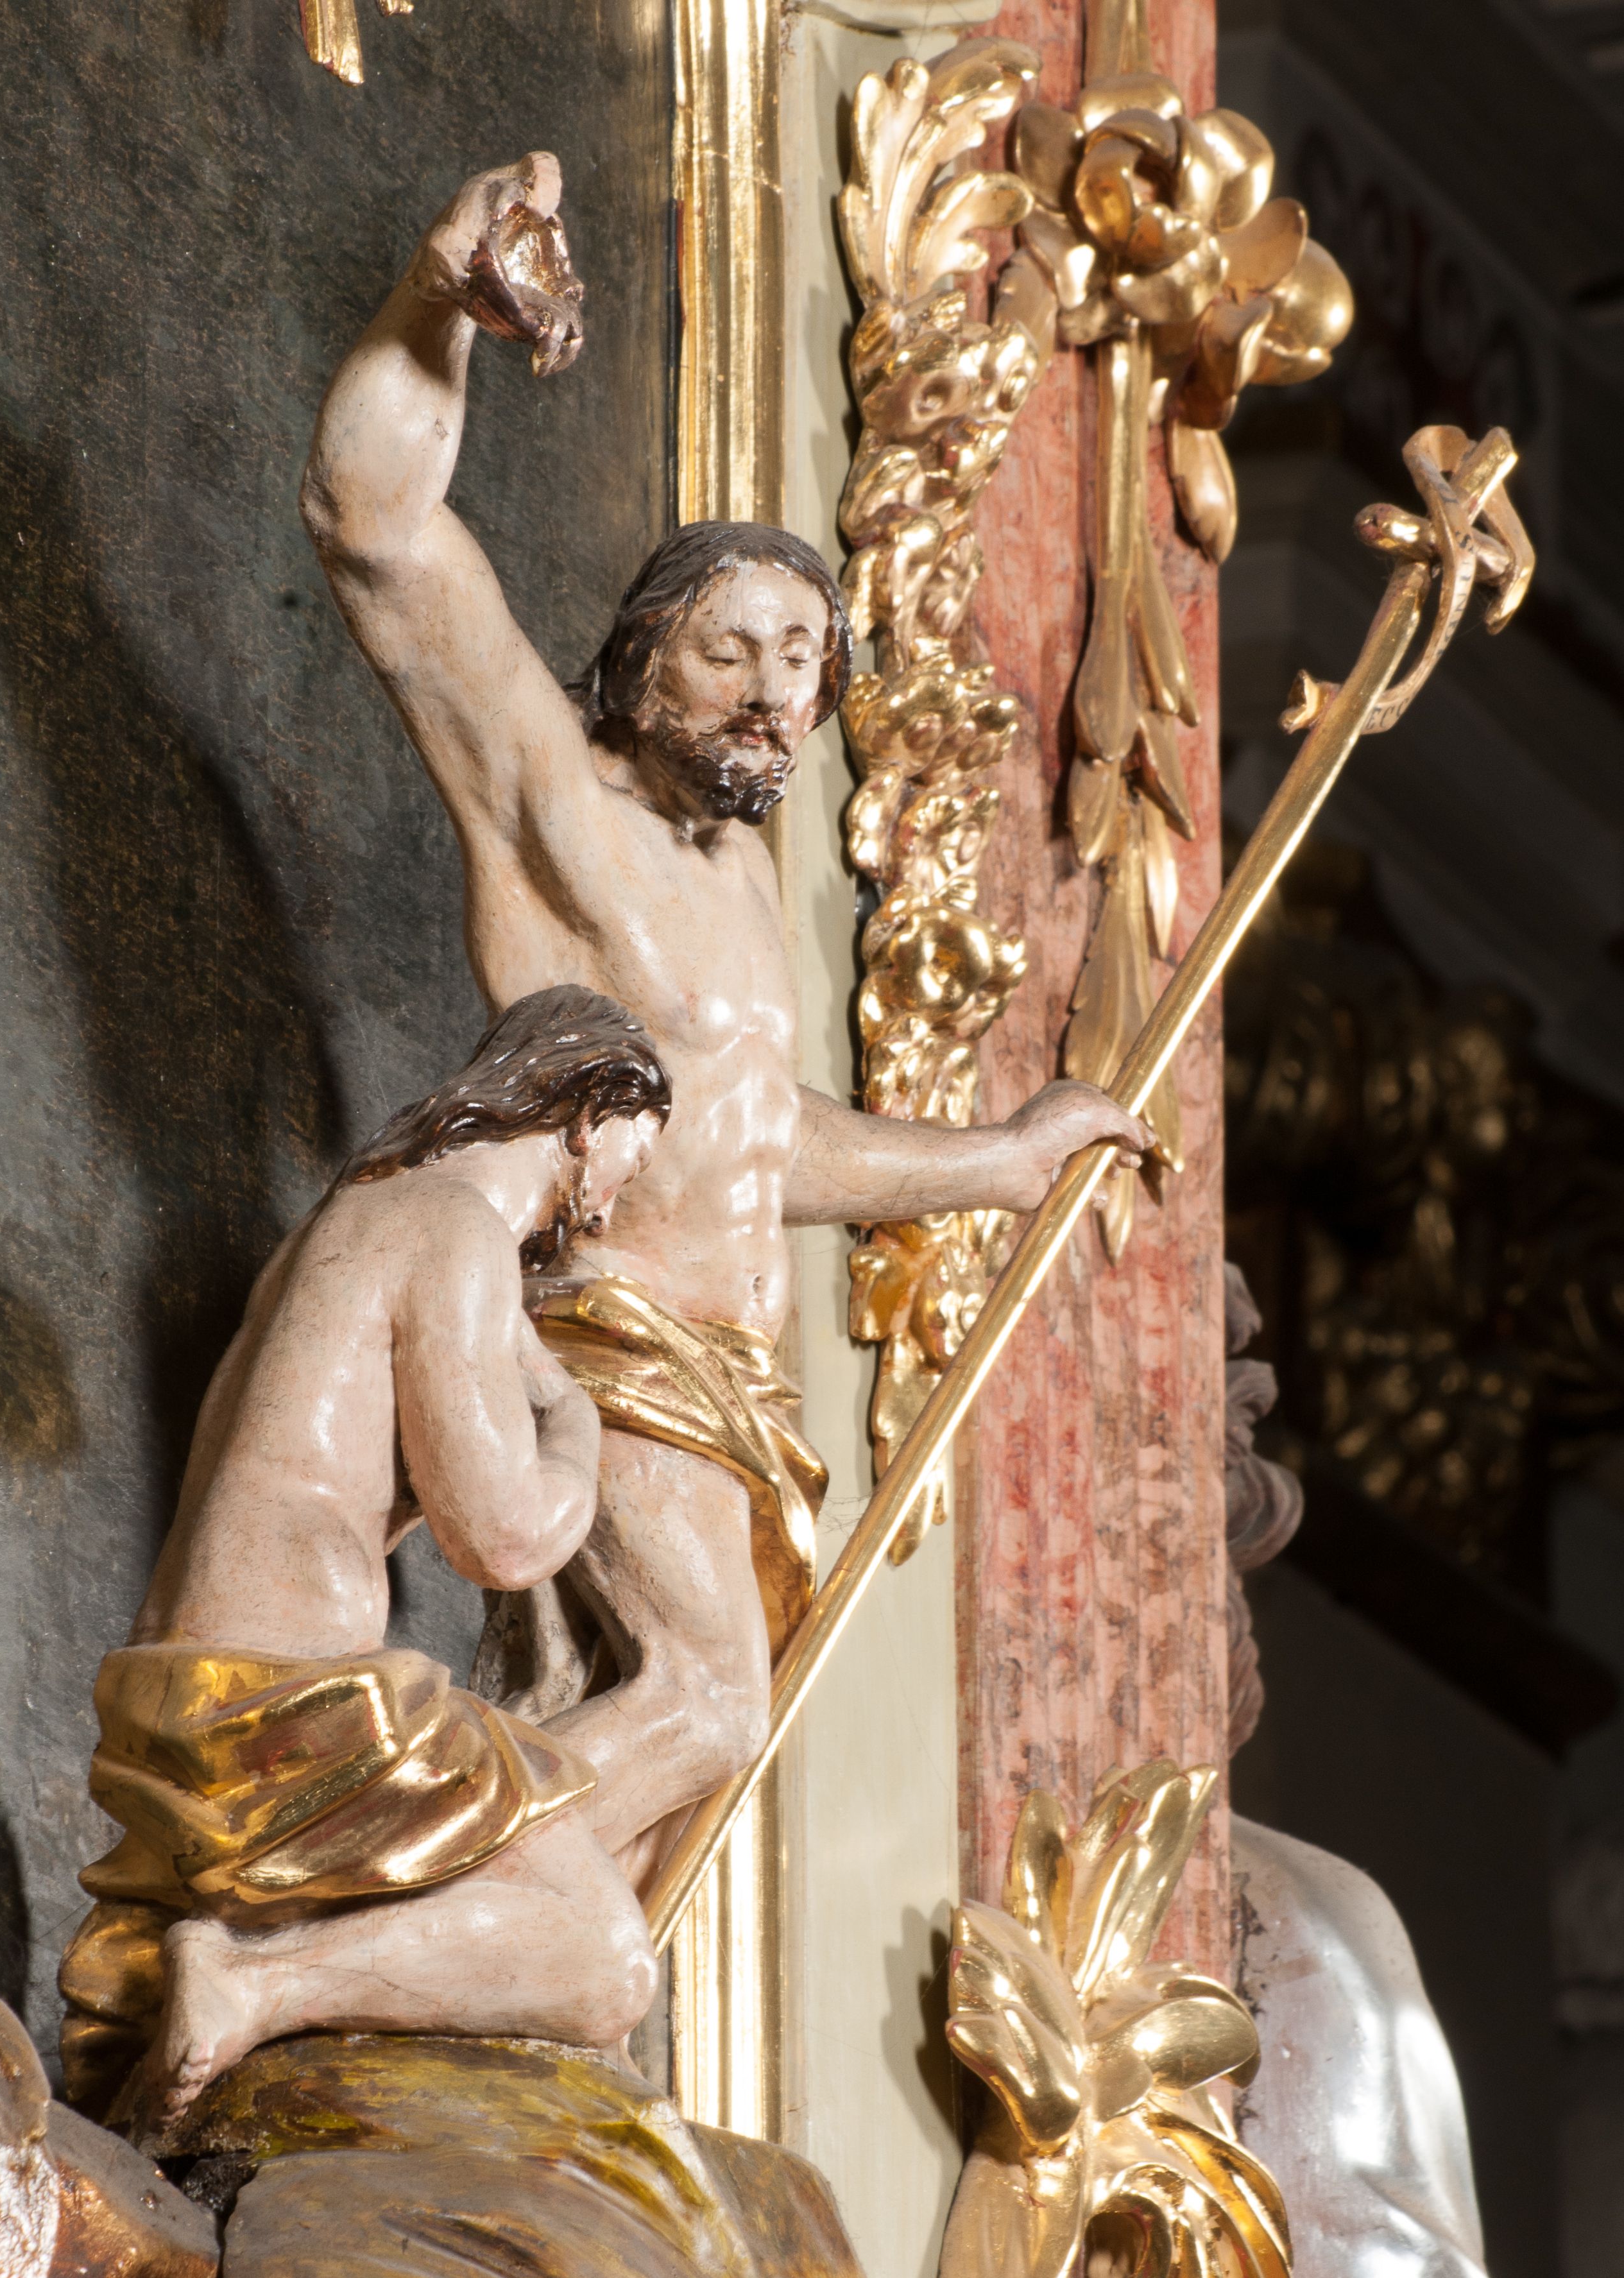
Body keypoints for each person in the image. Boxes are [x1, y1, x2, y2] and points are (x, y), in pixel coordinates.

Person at [299, 151, 1154, 1893]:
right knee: (703, 1703)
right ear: (640, 660)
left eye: (801, 659)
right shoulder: (561, 799)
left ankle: (477, 1957)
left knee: (653, 1782)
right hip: (604, 1337)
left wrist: (996, 1161)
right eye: (730, 650)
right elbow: (375, 530)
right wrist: (439, 299)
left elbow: (761, 1136)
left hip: (727, 1382)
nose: (773, 693)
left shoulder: (746, 884)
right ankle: (384, 1909)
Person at [59, 986, 672, 2133]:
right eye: (628, 1166)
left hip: (173, 1691)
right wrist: (575, 1427)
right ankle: (252, 1986)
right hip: (286, 1702)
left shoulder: (356, 1216)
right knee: (602, 1960)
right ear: (588, 1115)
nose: (606, 1207)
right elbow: (501, 1536)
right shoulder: (456, 1231)